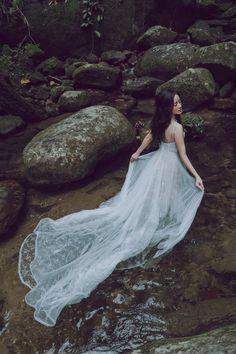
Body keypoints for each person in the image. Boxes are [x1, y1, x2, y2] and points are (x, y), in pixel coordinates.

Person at [18, 89, 204, 327]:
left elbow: (149, 138)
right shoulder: (177, 128)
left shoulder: (158, 123)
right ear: (167, 106)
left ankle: (156, 215)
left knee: (148, 196)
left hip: (156, 164)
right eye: (176, 103)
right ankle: (158, 219)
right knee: (164, 195)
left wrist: (137, 154)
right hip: (167, 166)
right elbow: (183, 155)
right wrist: (196, 176)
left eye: (180, 101)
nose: (180, 105)